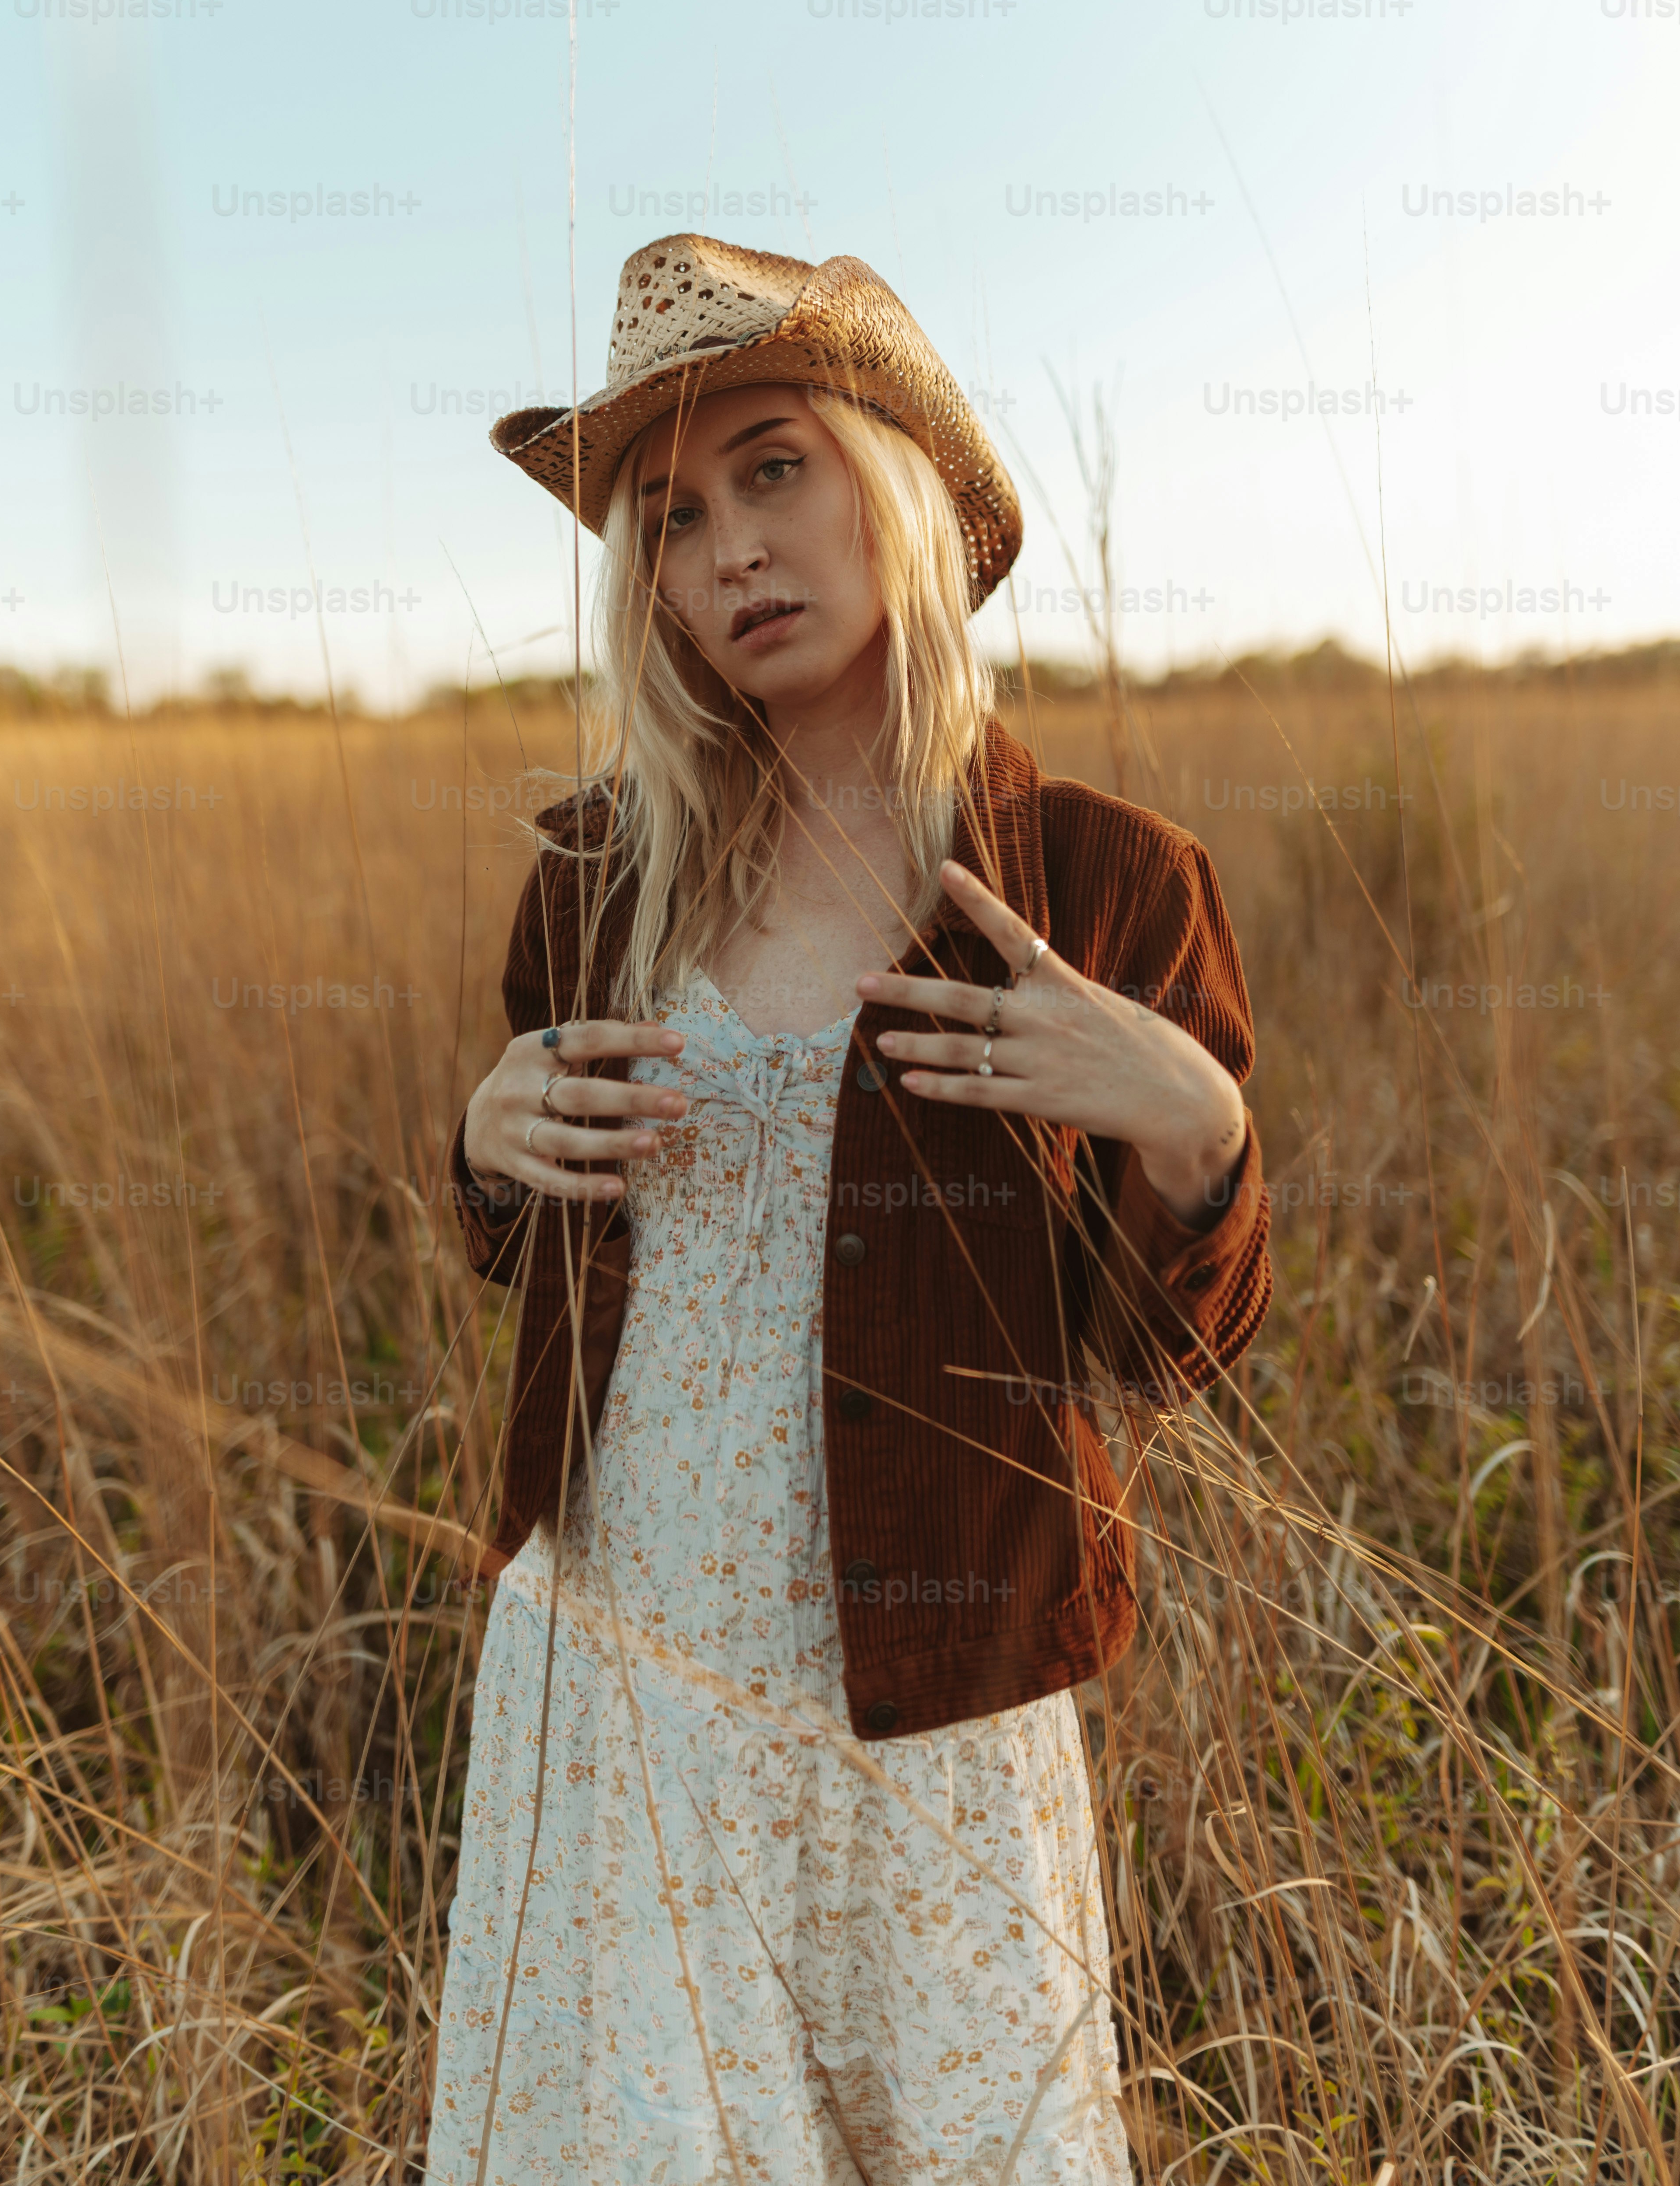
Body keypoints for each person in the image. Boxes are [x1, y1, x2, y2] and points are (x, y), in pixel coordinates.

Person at [424, 235, 1272, 2184]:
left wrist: (1191, 1122)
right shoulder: (598, 880)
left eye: (773, 469)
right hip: (619, 1669)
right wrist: (484, 1140)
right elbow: (534, 1242)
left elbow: (1174, 1354)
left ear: (893, 482)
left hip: (928, 1699)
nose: (728, 549)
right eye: (669, 516)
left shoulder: (1103, 883)